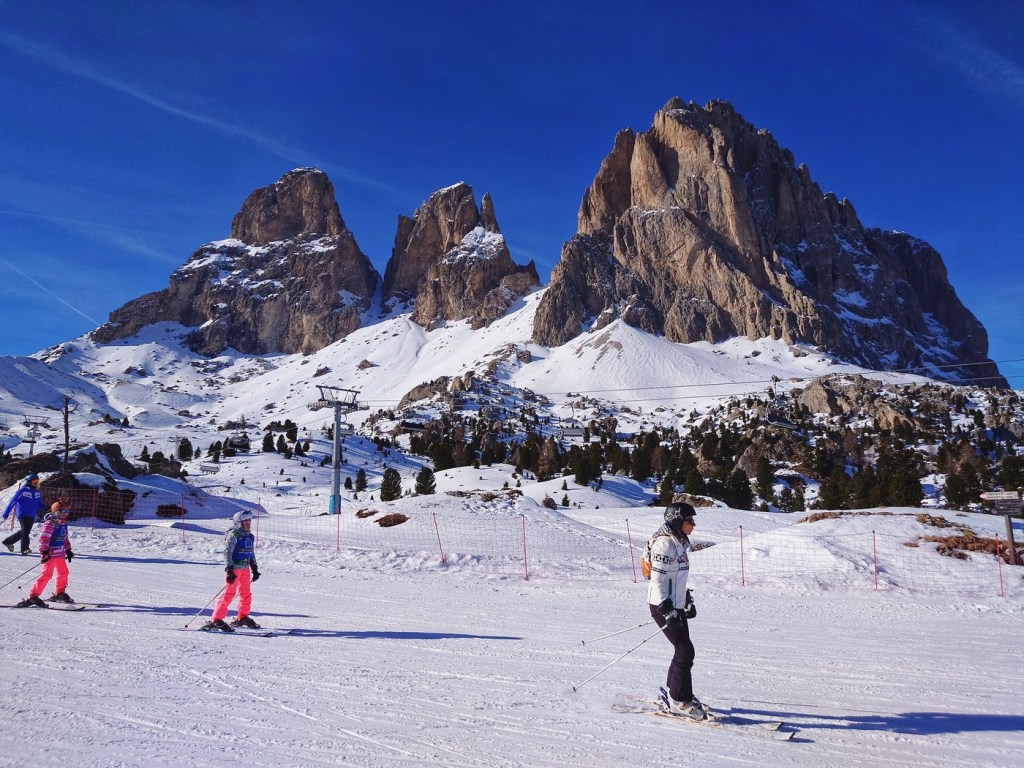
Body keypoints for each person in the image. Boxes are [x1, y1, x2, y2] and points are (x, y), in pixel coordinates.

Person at [647, 501, 704, 720]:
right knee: (685, 651)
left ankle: (677, 694)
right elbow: (658, 580)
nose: (694, 525)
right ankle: (679, 700)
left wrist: (686, 600)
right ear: (678, 521)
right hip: (663, 605)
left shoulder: (679, 542)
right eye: (690, 521)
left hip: (675, 604)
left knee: (683, 651)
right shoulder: (665, 544)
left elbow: (677, 577)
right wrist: (667, 609)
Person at [202, 510, 262, 632]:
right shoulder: (234, 534)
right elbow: (227, 552)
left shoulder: (250, 536)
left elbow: (251, 552)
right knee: (229, 594)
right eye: (245, 521)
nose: (248, 523)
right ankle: (216, 619)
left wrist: (254, 568)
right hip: (234, 568)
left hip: (245, 569)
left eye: (249, 521)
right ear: (238, 522)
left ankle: (242, 616)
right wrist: (229, 570)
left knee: (246, 594)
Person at [17, 502, 75, 608]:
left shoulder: (63, 523)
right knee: (46, 575)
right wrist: (44, 552)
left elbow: (64, 538)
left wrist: (68, 550)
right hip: (50, 554)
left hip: (60, 554)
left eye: (67, 512)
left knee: (63, 573)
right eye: (63, 511)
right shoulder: (50, 523)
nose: (65, 514)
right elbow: (44, 538)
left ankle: (59, 593)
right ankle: (33, 596)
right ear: (56, 512)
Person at [3, 474, 46, 555]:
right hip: (22, 514)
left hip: (31, 515)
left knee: (25, 531)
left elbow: (39, 504)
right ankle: (25, 549)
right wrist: (6, 513)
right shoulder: (22, 490)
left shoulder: (37, 492)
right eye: (34, 481)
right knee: (25, 531)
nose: (36, 483)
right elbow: (13, 501)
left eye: (37, 481)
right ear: (29, 481)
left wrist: (47, 507)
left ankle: (8, 542)